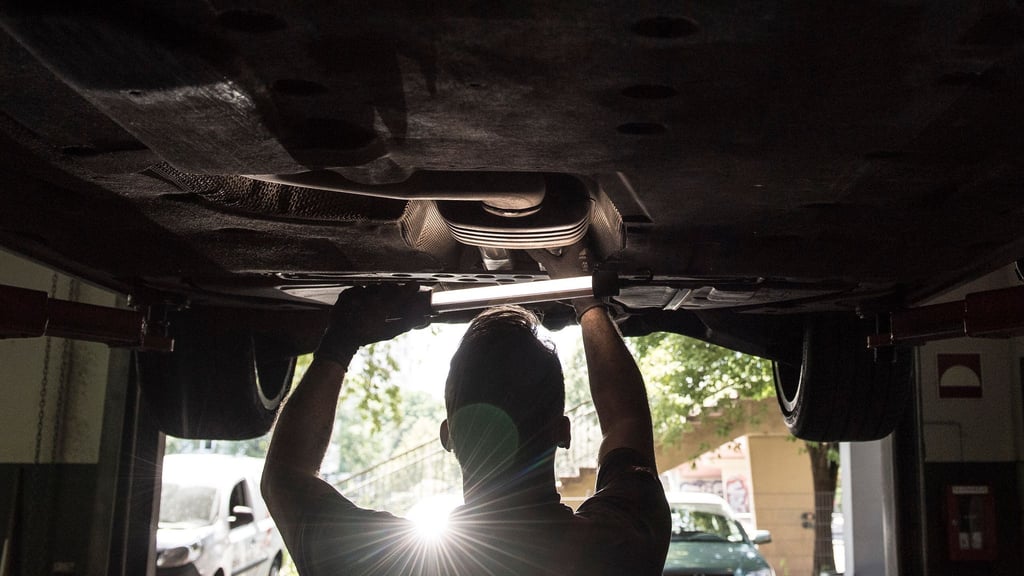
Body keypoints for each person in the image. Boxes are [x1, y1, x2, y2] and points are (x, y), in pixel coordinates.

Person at [262, 247, 671, 575]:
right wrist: (587, 302)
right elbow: (626, 422)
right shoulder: (618, 549)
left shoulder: (398, 563)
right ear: (562, 432)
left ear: (448, 436)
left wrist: (341, 341)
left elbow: (285, 477)